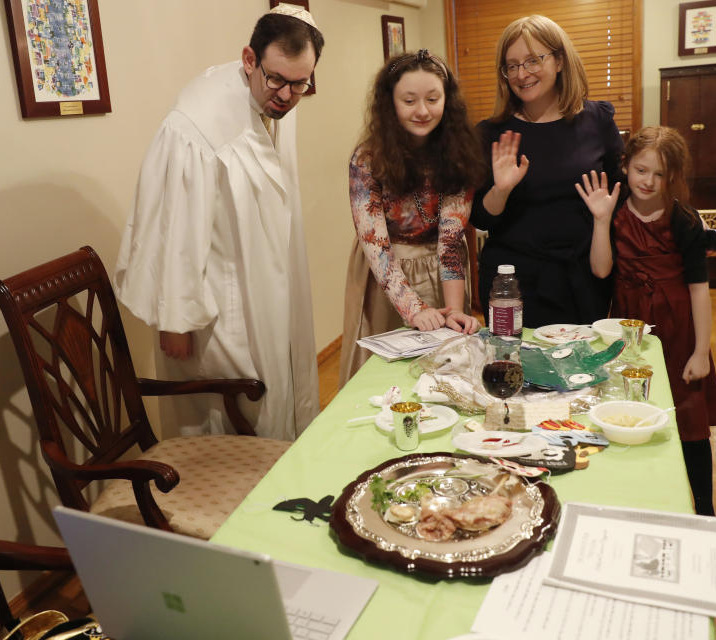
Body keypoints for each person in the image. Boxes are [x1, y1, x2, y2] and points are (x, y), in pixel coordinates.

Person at [113, 6, 324, 441]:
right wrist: (175, 318)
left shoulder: (276, 97)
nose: (287, 95)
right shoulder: (196, 125)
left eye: (300, 83)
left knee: (277, 401)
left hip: (266, 284)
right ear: (250, 60)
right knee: (234, 422)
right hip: (220, 304)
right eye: (278, 80)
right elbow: (174, 224)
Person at [577, 125, 716, 516]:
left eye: (660, 174)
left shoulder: (685, 220)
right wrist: (601, 221)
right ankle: (640, 498)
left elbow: (698, 290)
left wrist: (701, 352)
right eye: (642, 170)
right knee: (630, 409)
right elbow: (601, 269)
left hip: (678, 329)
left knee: (689, 422)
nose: (649, 181)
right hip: (630, 326)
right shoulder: (613, 209)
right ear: (625, 165)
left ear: (672, 177)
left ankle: (705, 509)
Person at [339, 50, 486, 384]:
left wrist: (456, 310)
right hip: (387, 274)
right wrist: (414, 309)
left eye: (433, 99)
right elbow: (375, 243)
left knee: (445, 366)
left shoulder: (458, 152)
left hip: (442, 268)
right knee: (387, 377)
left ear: (447, 101)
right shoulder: (367, 158)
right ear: (390, 103)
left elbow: (450, 238)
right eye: (409, 100)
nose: (422, 111)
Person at [470, 15, 623, 327]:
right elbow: (480, 218)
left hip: (582, 278)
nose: (521, 74)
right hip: (510, 283)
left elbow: (619, 198)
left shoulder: (597, 122)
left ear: (559, 60)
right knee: (514, 372)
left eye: (532, 60)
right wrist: (501, 190)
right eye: (511, 65)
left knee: (580, 374)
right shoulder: (491, 134)